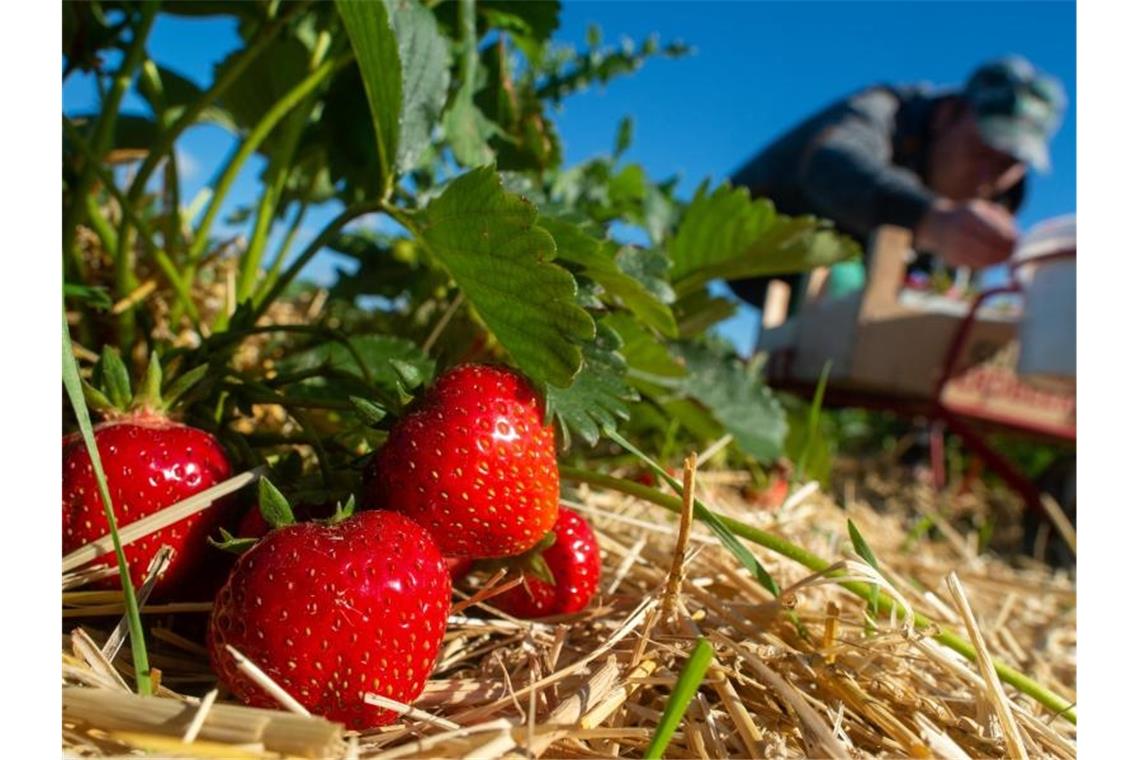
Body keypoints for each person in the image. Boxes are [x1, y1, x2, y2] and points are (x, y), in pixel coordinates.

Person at [727, 55, 1066, 313]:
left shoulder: (1003, 194)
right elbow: (830, 165)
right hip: (749, 247)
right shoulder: (882, 110)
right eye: (983, 150)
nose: (988, 175)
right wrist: (931, 219)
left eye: (1010, 163)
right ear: (948, 114)